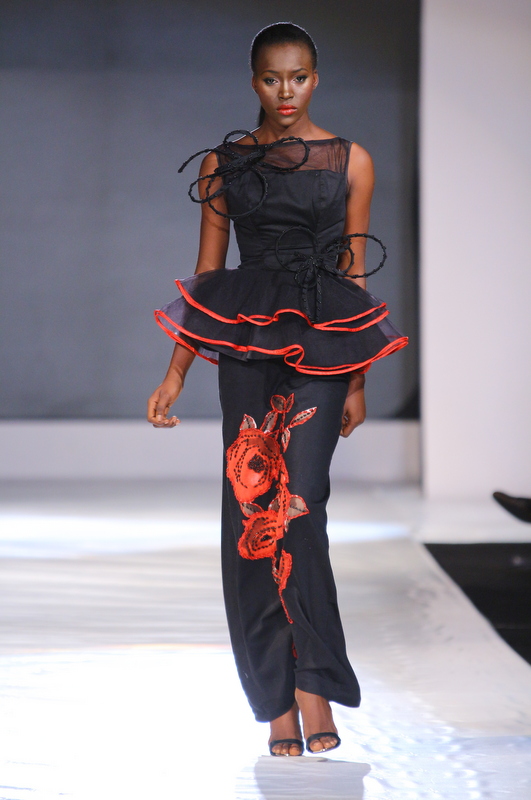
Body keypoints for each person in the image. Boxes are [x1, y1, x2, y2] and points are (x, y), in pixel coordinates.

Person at [147, 22, 408, 756]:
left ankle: (313, 682)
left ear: (315, 79)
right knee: (252, 511)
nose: (285, 91)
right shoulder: (224, 164)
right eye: (271, 78)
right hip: (247, 345)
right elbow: (208, 274)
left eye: (297, 77)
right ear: (254, 82)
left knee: (303, 506)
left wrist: (357, 377)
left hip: (324, 344)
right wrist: (176, 371)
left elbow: (353, 271)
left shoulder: (352, 161)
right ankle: (276, 705)